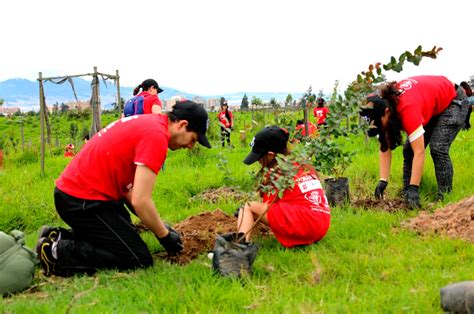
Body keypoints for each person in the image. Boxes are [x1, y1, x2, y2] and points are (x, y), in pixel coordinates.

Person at [35, 100, 211, 276]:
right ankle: (56, 252)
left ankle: (58, 236)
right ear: (182, 125)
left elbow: (128, 190)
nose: (190, 146)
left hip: (81, 195)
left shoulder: (152, 124)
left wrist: (157, 225)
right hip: (81, 201)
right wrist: (164, 235)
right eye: (193, 139)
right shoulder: (156, 136)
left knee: (123, 232)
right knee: (137, 258)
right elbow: (141, 201)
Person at [360, 75, 468, 208]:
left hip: (453, 100)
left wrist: (414, 187)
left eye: (377, 122)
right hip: (430, 103)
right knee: (408, 150)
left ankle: (445, 196)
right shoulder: (385, 106)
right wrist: (383, 180)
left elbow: (419, 152)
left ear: (387, 112)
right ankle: (407, 195)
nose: (377, 126)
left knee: (438, 148)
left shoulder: (407, 109)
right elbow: (384, 146)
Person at [237, 126, 331, 247]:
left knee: (248, 207)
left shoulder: (278, 172)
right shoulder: (302, 165)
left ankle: (239, 246)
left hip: (306, 225)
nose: (258, 161)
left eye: (259, 157)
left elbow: (266, 207)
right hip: (322, 224)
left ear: (271, 155)